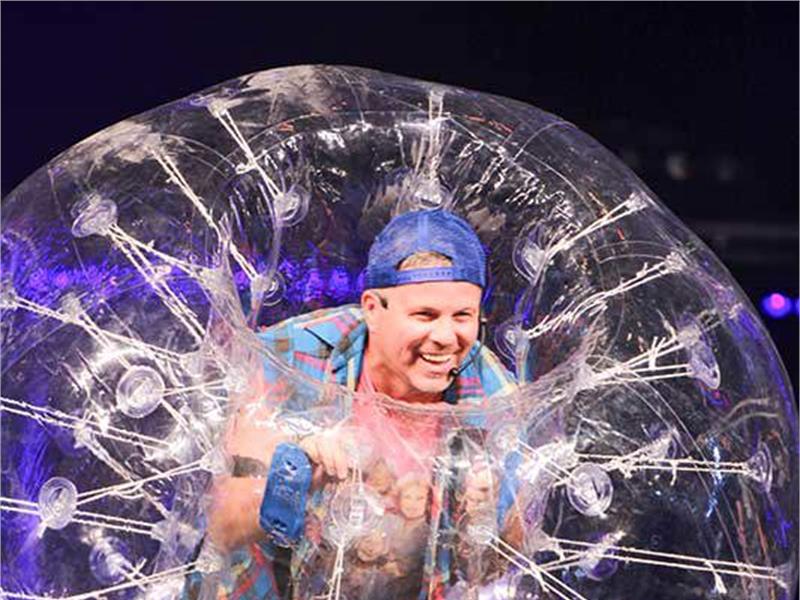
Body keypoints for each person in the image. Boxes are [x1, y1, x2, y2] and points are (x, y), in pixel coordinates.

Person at [193, 209, 518, 600]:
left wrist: (486, 516)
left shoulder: (493, 397)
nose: (446, 337)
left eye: (463, 316)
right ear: (372, 309)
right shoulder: (290, 357)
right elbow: (220, 526)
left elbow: (510, 560)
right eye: (425, 315)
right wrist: (294, 480)